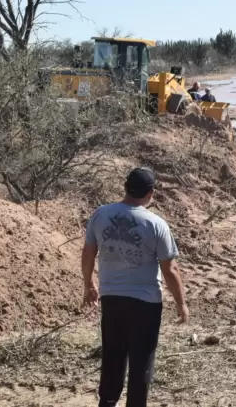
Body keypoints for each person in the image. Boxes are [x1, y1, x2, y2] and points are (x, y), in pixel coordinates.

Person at [82, 168, 189, 407]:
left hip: (111, 298)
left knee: (113, 353)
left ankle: (108, 401)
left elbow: (89, 252)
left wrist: (89, 283)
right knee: (142, 359)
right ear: (151, 193)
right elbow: (170, 269)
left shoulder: (101, 215)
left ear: (125, 187)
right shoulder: (156, 224)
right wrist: (182, 303)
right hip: (146, 302)